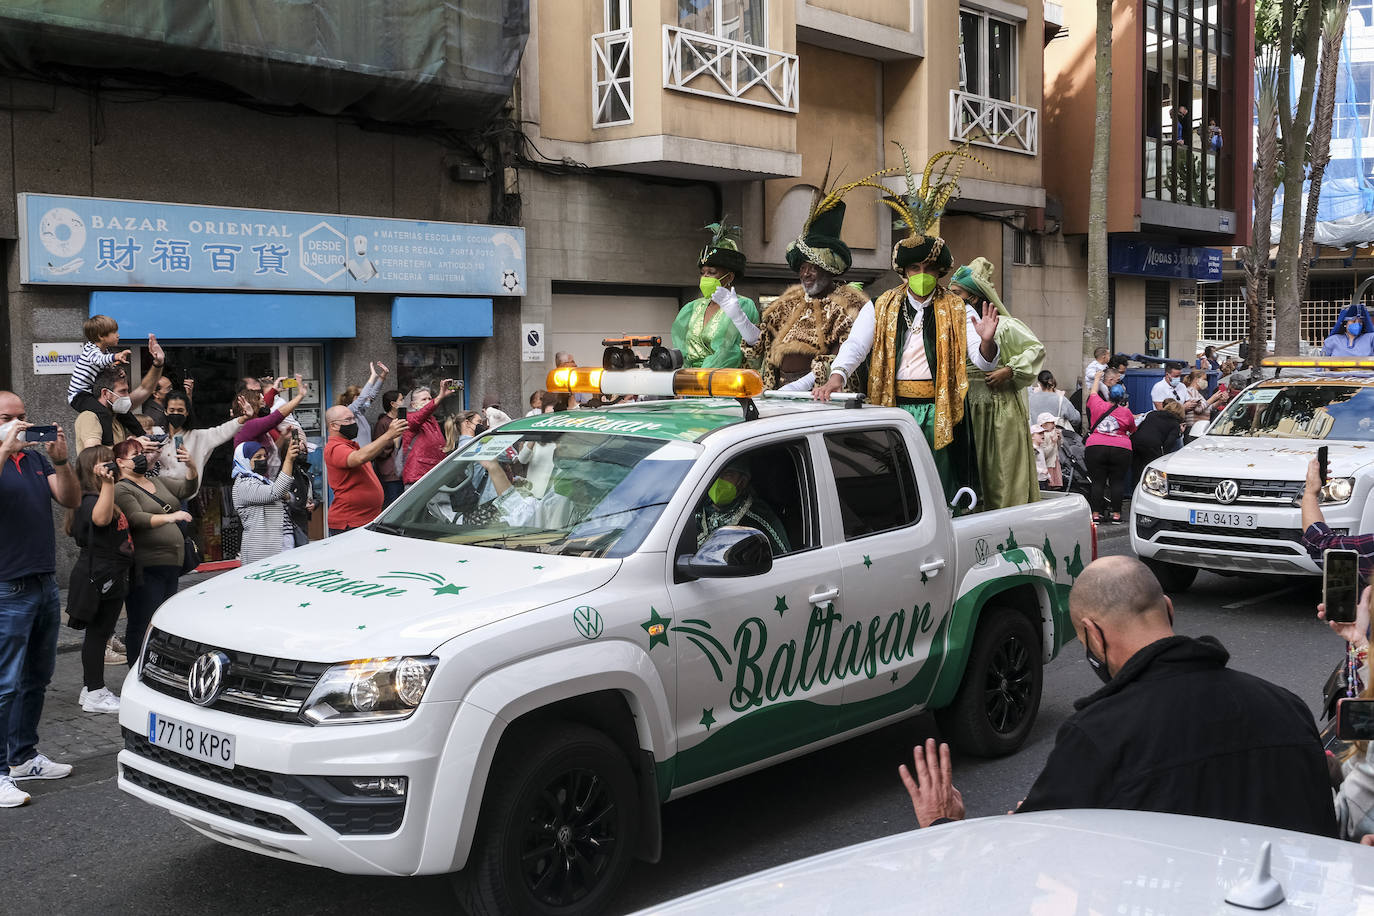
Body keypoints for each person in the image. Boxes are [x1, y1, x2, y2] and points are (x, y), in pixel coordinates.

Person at [899, 556, 1339, 838]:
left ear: (1091, 634)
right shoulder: (1286, 707)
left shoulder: (1099, 737)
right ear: (1168, 609)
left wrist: (943, 828)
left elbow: (1032, 862)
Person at [812, 146, 999, 502]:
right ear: (904, 271)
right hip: (892, 408)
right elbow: (855, 347)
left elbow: (982, 359)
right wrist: (836, 377)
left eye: (929, 269)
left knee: (939, 487)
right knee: (896, 486)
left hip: (939, 410)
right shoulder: (881, 306)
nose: (923, 275)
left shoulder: (959, 309)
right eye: (915, 269)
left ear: (940, 271)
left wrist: (988, 341)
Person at [0, 392, 80, 806]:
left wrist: (63, 461)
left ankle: (23, 756)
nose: (19, 424)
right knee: (4, 684)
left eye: (22, 416)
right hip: (6, 585)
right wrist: (3, 448)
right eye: (7, 417)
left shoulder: (32, 459)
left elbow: (69, 499)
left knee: (36, 676)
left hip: (43, 580)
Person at [741, 181, 870, 390]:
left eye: (813, 267)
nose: (806, 273)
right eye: (802, 267)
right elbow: (760, 344)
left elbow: (844, 356)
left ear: (829, 268)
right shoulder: (787, 304)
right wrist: (738, 318)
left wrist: (801, 385)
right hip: (779, 393)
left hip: (820, 397)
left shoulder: (849, 307)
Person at [948, 258, 1044, 509]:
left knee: (1002, 472)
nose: (952, 299)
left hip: (999, 410)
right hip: (966, 410)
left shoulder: (1006, 326)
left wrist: (1010, 370)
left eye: (957, 293)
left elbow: (1035, 349)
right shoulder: (949, 327)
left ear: (976, 298)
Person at [112, 437, 195, 668]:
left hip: (172, 564)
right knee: (143, 621)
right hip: (146, 565)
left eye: (142, 452)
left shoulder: (156, 480)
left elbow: (186, 488)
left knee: (164, 622)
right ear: (120, 462)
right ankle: (137, 669)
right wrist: (171, 517)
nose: (141, 457)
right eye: (134, 454)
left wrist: (191, 466)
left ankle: (160, 667)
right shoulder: (122, 488)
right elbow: (136, 518)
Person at [65, 446, 132, 714]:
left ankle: (89, 687)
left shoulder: (99, 493)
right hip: (101, 574)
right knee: (98, 634)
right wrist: (107, 483)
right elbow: (102, 519)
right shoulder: (91, 498)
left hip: (108, 572)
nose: (111, 466)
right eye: (105, 462)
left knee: (99, 632)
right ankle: (95, 691)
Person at [671, 219, 761, 369]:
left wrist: (702, 377)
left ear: (729, 277)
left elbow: (730, 352)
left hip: (721, 383)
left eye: (712, 272)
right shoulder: (691, 308)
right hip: (689, 383)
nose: (705, 277)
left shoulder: (743, 305)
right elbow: (680, 346)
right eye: (702, 273)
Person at [324, 404, 406, 536]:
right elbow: (359, 458)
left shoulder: (350, 445)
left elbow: (367, 454)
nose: (353, 423)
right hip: (349, 523)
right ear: (333, 425)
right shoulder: (335, 447)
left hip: (364, 520)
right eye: (348, 420)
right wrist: (388, 435)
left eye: (353, 419)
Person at [151, 391, 244, 496]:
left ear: (187, 412)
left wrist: (244, 418)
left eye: (180, 410)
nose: (176, 413)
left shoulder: (197, 437)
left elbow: (222, 431)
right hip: (158, 493)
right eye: (172, 410)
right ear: (165, 411)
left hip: (183, 493)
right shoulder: (157, 435)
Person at [74, 354, 166, 452]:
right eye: (122, 391)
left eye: (127, 391)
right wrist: (133, 446)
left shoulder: (117, 416)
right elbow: (94, 455)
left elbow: (145, 388)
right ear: (105, 393)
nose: (127, 396)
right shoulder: (90, 417)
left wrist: (158, 364)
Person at [231, 439, 297, 563]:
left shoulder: (262, 480)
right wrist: (288, 460)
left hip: (280, 544)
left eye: (264, 456)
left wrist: (286, 495)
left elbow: (290, 498)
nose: (263, 460)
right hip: (260, 551)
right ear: (245, 460)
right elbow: (276, 492)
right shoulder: (243, 484)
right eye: (257, 457)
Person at [232, 374, 307, 476]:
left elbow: (272, 452)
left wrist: (282, 437)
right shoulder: (249, 425)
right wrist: (300, 396)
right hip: (255, 481)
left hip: (268, 478)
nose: (265, 406)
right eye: (261, 402)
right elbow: (276, 417)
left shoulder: (256, 424)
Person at [1085, 382, 1136, 523]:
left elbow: (1093, 392)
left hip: (1095, 446)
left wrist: (1096, 378)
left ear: (1109, 395)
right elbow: (1132, 429)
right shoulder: (1126, 412)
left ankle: (1096, 513)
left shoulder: (1097, 404)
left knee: (1097, 481)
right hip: (1121, 449)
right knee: (1117, 482)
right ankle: (1116, 515)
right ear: (1122, 398)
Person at [67, 315, 131, 419]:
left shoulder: (104, 351)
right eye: (114, 332)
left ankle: (143, 434)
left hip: (91, 392)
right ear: (101, 336)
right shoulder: (91, 350)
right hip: (79, 396)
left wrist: (119, 370)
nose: (118, 335)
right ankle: (106, 436)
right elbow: (100, 360)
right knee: (104, 413)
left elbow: (107, 367)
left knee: (123, 412)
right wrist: (116, 356)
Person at [401, 382, 459, 487]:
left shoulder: (431, 420)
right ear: (413, 404)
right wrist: (440, 396)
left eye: (429, 398)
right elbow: (421, 415)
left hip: (433, 476)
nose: (429, 401)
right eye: (424, 399)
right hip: (419, 478)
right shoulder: (409, 418)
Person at [1131, 399, 1184, 485]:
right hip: (1152, 446)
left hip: (1135, 442)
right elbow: (1168, 443)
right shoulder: (1175, 424)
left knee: (1136, 471)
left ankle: (1134, 493)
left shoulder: (1152, 414)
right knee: (1153, 471)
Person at [338, 361, 388, 447]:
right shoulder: (349, 411)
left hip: (366, 456)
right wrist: (372, 376)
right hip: (357, 456)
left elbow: (372, 395)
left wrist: (383, 374)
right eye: (362, 396)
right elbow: (363, 397)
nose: (366, 398)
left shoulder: (359, 411)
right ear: (355, 398)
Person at [371, 390, 405, 507]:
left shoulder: (402, 420)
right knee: (393, 506)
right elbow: (379, 450)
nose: (404, 402)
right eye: (401, 399)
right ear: (393, 404)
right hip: (391, 474)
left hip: (403, 471)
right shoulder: (383, 423)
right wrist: (393, 441)